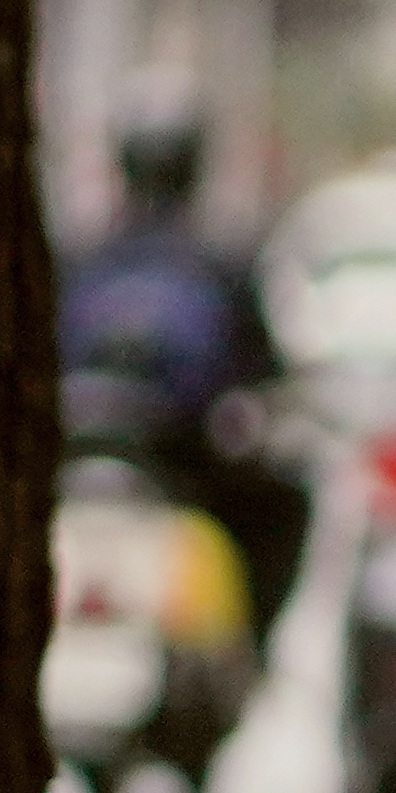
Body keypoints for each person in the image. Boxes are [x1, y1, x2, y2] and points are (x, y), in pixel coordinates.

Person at [53, 95, 305, 639]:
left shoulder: (81, 255)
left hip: (72, 450)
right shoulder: (220, 264)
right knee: (287, 499)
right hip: (184, 458)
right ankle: (252, 643)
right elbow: (264, 375)